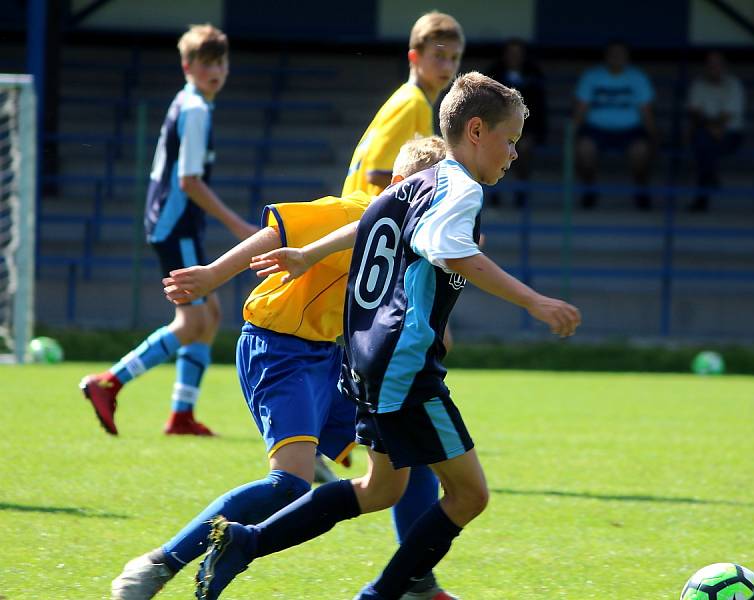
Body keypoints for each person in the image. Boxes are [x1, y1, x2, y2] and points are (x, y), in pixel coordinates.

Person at [193, 71, 581, 600]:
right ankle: (381, 596)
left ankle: (245, 542)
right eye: (509, 140)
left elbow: (371, 214)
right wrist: (534, 300)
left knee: (382, 488)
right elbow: (455, 253)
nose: (513, 154)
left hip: (363, 361)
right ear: (475, 130)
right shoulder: (461, 189)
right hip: (403, 367)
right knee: (469, 495)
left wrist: (308, 253)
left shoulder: (418, 184)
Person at [109, 137, 449, 600]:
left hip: (331, 361)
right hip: (277, 350)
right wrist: (212, 274)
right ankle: (159, 564)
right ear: (396, 185)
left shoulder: (413, 240)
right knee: (288, 483)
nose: (429, 204)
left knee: (412, 451)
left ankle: (414, 583)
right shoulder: (353, 212)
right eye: (423, 192)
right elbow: (280, 232)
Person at [338, 11, 465, 599]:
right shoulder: (414, 106)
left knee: (396, 445)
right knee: (400, 430)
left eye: (453, 58)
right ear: (414, 57)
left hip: (373, 262)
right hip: (378, 269)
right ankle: (410, 578)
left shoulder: (411, 102)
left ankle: (415, 575)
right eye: (438, 56)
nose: (446, 66)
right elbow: (382, 188)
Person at [79, 24, 257, 436]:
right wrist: (238, 225)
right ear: (188, 66)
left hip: (175, 223)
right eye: (207, 63)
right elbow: (188, 182)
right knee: (193, 321)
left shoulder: (191, 102)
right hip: (175, 224)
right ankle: (109, 382)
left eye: (221, 62)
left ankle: (181, 415)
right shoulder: (195, 109)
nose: (216, 70)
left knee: (208, 315)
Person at [572, 41, 658, 210]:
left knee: (641, 151)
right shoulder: (591, 76)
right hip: (596, 129)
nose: (617, 57)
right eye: (613, 53)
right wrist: (572, 133)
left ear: (627, 57)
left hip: (631, 130)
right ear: (606, 56)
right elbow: (581, 109)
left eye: (621, 54)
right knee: (584, 149)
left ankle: (641, 190)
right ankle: (590, 190)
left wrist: (654, 136)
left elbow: (646, 112)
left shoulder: (638, 77)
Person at [486, 38, 548, 208]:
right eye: (510, 53)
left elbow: (539, 109)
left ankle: (522, 191)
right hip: (496, 127)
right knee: (493, 146)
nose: (514, 57)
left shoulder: (534, 74)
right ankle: (494, 190)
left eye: (518, 54)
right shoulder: (493, 74)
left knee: (525, 147)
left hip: (525, 130)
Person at [686, 50, 745, 212]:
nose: (714, 67)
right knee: (703, 142)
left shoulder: (734, 84)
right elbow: (693, 113)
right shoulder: (698, 84)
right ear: (705, 66)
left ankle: (702, 197)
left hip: (731, 135)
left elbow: (727, 116)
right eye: (710, 64)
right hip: (705, 132)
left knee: (702, 144)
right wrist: (711, 127)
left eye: (718, 63)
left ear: (725, 66)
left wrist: (712, 126)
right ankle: (710, 177)